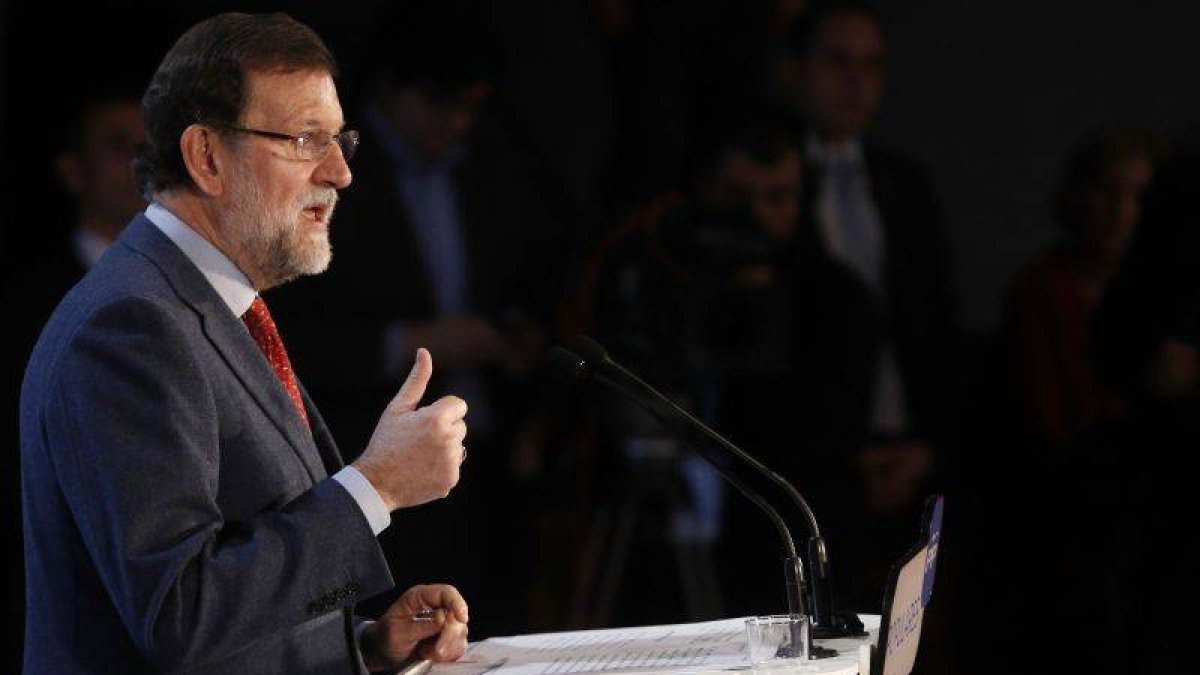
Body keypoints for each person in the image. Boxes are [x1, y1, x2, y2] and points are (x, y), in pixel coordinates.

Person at [20, 13, 470, 674]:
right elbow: (180, 616)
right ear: (206, 157)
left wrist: (364, 645)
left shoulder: (208, 303)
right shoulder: (129, 326)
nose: (341, 171)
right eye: (304, 139)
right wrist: (376, 485)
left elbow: (230, 610)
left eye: (340, 138)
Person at [1, 89, 146, 670]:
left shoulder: (205, 296)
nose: (139, 160)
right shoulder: (23, 307)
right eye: (118, 147)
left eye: (149, 146)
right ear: (72, 170)